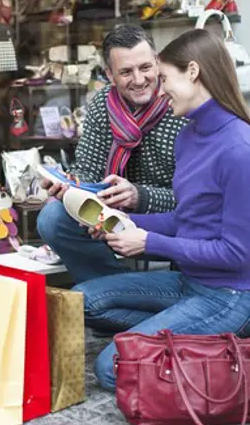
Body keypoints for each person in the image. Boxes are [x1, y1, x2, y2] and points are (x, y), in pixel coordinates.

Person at [79, 28, 250, 391]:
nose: (160, 87)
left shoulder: (239, 149)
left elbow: (238, 254)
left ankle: (211, 340)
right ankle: (187, 334)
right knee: (82, 302)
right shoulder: (188, 136)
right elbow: (185, 219)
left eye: (164, 76)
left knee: (111, 368)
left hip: (232, 294)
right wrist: (127, 222)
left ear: (192, 72)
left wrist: (149, 243)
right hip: (189, 282)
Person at [37, 24, 186, 283]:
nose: (139, 80)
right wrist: (70, 186)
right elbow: (87, 170)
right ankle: (119, 285)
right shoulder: (102, 104)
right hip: (114, 220)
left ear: (157, 61)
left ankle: (118, 296)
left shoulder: (181, 104)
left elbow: (201, 202)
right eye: (126, 72)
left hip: (172, 223)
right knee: (52, 218)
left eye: (146, 68)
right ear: (109, 74)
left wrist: (139, 196)